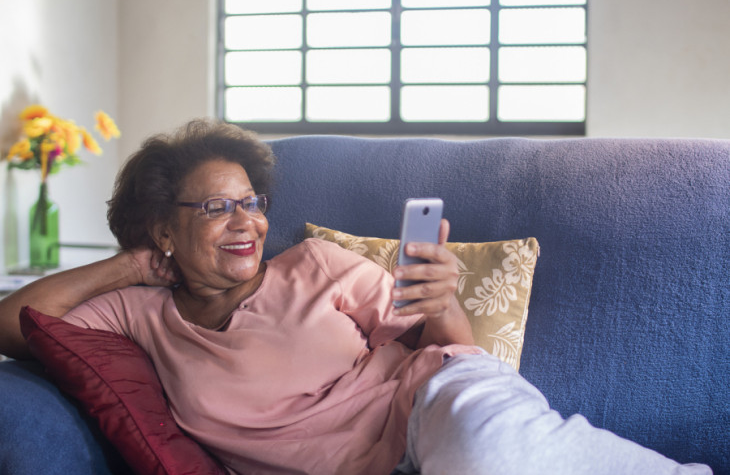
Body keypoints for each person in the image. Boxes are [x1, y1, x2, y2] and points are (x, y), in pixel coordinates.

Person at [0, 120, 712, 475]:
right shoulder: (141, 315)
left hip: (428, 407)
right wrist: (128, 269)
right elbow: (14, 321)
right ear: (161, 226)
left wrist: (443, 298)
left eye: (252, 202)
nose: (247, 221)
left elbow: (449, 349)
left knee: (487, 446)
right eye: (219, 206)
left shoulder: (314, 264)